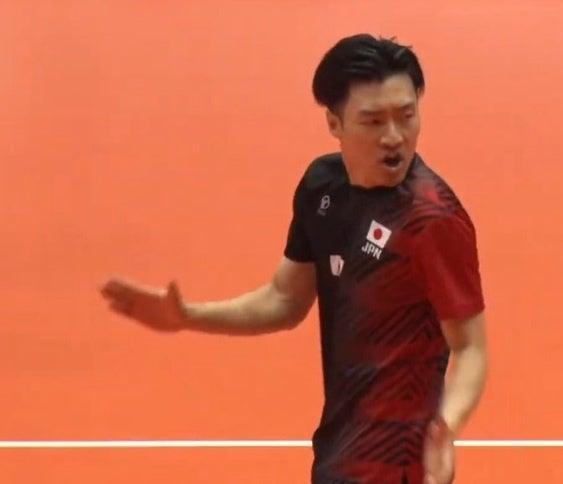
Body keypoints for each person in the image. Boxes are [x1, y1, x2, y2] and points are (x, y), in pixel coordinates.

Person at [100, 33, 489, 484]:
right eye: (372, 121)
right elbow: (285, 299)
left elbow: (470, 346)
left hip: (401, 463)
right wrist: (188, 316)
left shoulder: (433, 220)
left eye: (407, 116)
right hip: (340, 450)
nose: (394, 136)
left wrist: (447, 426)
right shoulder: (323, 187)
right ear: (334, 122)